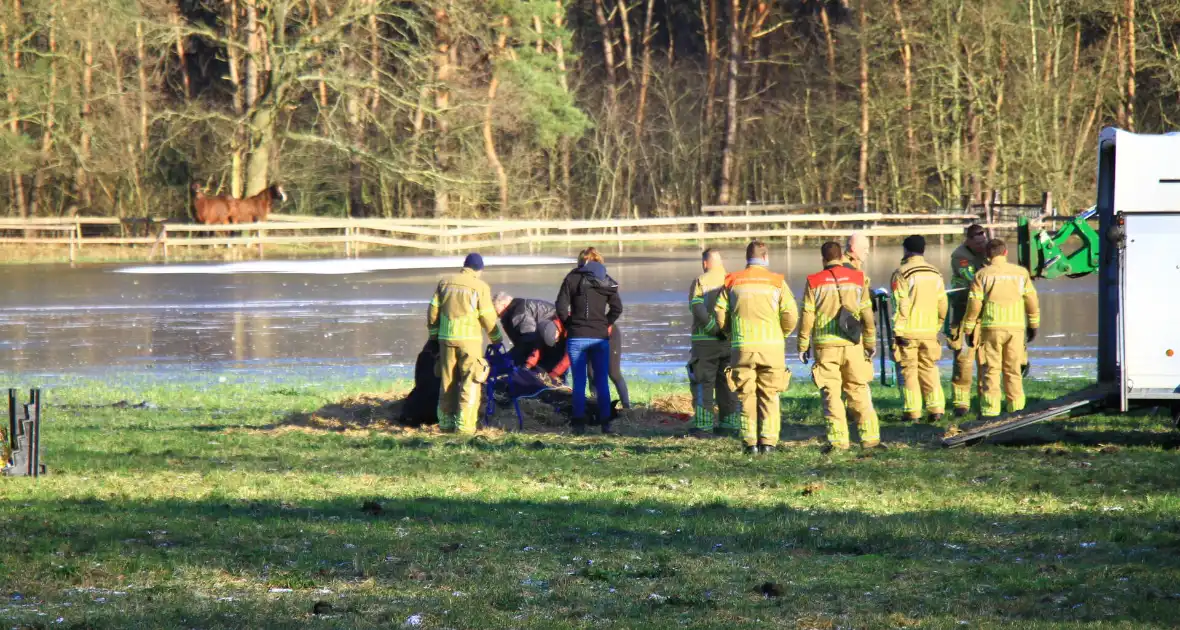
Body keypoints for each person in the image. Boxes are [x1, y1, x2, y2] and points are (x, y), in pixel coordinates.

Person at [714, 240, 798, 454]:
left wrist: (730, 333)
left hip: (742, 347)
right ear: (766, 257)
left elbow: (719, 312)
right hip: (772, 348)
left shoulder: (733, 281)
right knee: (770, 394)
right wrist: (782, 333)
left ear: (746, 258)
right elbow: (791, 314)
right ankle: (768, 443)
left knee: (746, 395)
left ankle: (750, 443)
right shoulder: (777, 282)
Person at [798, 241, 880, 453]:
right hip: (853, 344)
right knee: (859, 390)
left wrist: (802, 343)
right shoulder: (858, 278)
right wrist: (870, 341)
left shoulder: (814, 281)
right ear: (842, 257)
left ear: (823, 259)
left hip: (826, 347)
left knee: (831, 393)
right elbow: (867, 315)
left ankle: (838, 443)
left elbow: (808, 315)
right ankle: (870, 440)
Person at [961, 239, 1040, 418]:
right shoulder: (1021, 273)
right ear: (1005, 253)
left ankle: (991, 411)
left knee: (991, 369)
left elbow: (974, 304)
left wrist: (968, 328)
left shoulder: (982, 274)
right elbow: (1031, 300)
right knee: (1013, 370)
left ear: (988, 256)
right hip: (1016, 328)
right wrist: (1034, 324)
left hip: (991, 327)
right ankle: (1017, 410)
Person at [427, 253, 503, 434]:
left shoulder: (444, 283)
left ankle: (445, 424)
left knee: (447, 382)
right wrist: (496, 339)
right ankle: (465, 428)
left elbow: (433, 312)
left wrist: (433, 336)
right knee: (471, 382)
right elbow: (487, 316)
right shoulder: (480, 286)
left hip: (446, 340)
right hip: (470, 342)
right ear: (479, 270)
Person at [556, 257, 623, 434]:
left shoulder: (571, 278)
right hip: (599, 338)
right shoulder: (607, 281)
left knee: (579, 382)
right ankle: (605, 423)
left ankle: (578, 424)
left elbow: (560, 307)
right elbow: (617, 309)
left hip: (577, 337)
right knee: (601, 381)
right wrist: (604, 323)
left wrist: (570, 325)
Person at [890, 235, 948, 423]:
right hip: (930, 331)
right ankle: (936, 409)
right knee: (930, 368)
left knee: (909, 371)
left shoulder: (902, 273)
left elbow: (901, 303)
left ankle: (913, 412)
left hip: (909, 331)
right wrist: (937, 325)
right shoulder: (935, 272)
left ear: (905, 250)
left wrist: (897, 331)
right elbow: (942, 303)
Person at [686, 249, 739, 438]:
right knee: (728, 383)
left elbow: (696, 307)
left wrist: (712, 328)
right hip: (729, 342)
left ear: (705, 263)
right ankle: (730, 424)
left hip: (705, 344)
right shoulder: (732, 280)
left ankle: (703, 426)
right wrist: (727, 331)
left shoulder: (700, 281)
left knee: (703, 383)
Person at [577, 247, 631, 409]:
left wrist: (606, 323)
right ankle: (596, 406)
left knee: (613, 372)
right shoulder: (576, 282)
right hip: (587, 332)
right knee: (591, 373)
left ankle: (628, 407)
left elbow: (616, 308)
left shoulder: (606, 282)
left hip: (608, 332)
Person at [947, 224, 990, 417]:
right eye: (979, 243)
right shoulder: (960, 256)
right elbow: (972, 278)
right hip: (963, 311)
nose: (982, 246)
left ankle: (985, 398)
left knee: (986, 359)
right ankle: (961, 403)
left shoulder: (988, 252)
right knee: (964, 359)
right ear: (969, 240)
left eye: (984, 242)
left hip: (983, 314)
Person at [493, 293, 569, 381]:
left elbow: (529, 341)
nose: (496, 315)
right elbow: (537, 345)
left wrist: (553, 374)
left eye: (496, 310)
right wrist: (528, 365)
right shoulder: (517, 310)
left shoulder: (519, 313)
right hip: (549, 337)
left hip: (558, 340)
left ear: (504, 305)